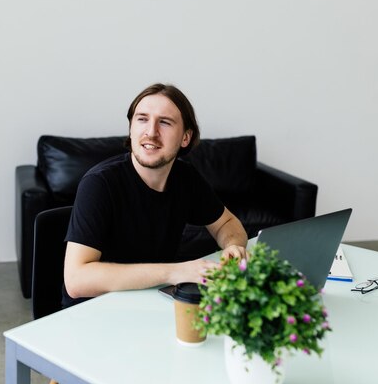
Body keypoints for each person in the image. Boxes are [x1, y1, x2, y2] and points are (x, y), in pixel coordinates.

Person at [63, 83, 248, 308]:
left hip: (150, 302)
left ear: (185, 137)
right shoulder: (99, 184)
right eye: (142, 119)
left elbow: (227, 223)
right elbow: (76, 280)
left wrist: (233, 246)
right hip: (93, 312)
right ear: (131, 128)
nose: (151, 132)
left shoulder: (185, 178)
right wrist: (175, 272)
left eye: (165, 122)